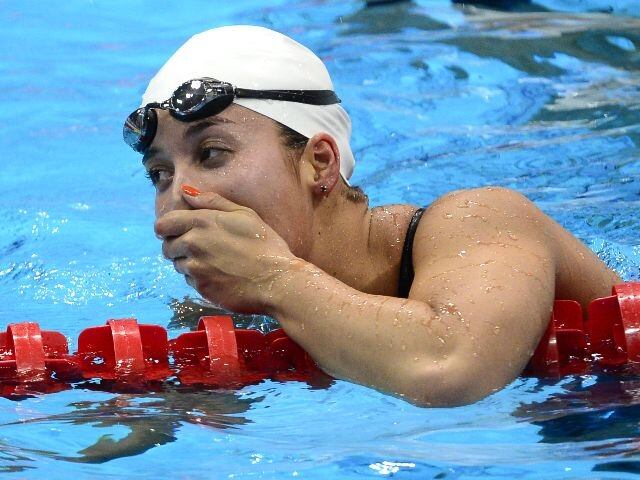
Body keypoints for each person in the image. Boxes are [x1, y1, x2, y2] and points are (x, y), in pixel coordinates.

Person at [123, 25, 621, 407]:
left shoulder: (483, 221)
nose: (178, 197)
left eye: (211, 153)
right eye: (159, 174)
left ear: (320, 162)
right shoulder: (235, 310)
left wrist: (272, 277)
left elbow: (449, 366)